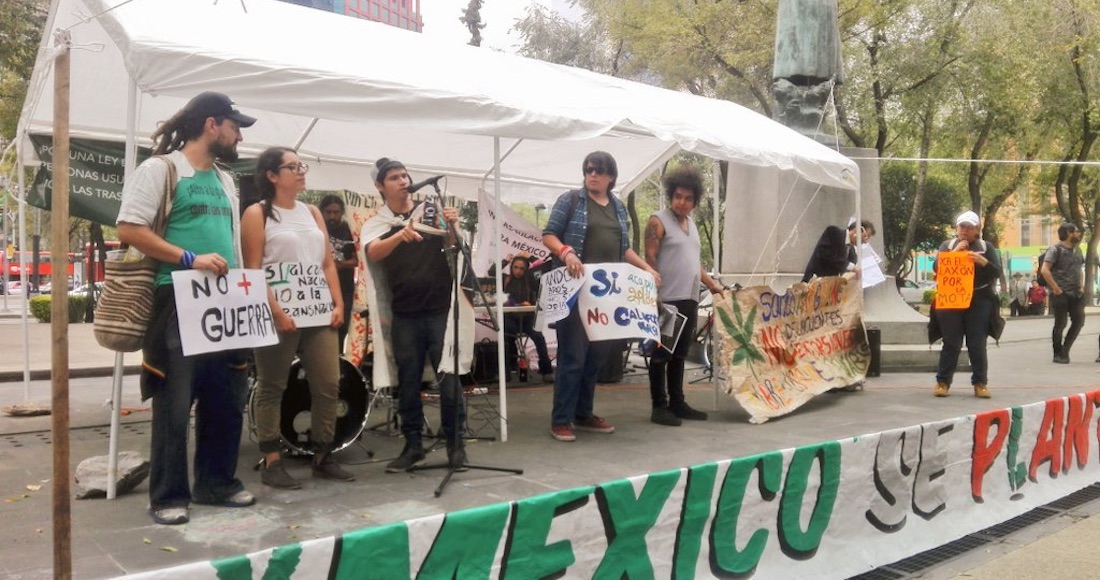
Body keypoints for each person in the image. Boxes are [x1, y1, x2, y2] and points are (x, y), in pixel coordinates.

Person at [116, 92, 257, 525]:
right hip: (177, 299)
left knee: (226, 397)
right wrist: (189, 258)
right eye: (234, 127)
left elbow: (232, 244)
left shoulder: (226, 181)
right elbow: (129, 228)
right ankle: (168, 495)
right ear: (212, 125)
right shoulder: (161, 169)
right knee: (174, 402)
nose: (239, 137)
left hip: (224, 303)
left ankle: (217, 483)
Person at [243, 148, 356, 489]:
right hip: (279, 314)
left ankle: (323, 453)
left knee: (329, 383)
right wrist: (276, 310)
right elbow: (252, 269)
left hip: (318, 312)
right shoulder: (257, 214)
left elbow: (326, 263)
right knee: (271, 385)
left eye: (301, 165)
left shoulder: (312, 212)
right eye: (292, 167)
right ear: (271, 176)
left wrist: (338, 303)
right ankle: (272, 459)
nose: (301, 171)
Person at [541, 151, 662, 442]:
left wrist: (647, 269)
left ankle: (583, 414)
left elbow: (625, 249)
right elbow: (549, 235)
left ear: (611, 177)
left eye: (598, 170)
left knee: (595, 358)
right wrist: (566, 252)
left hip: (607, 298)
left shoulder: (618, 208)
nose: (592, 175)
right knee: (573, 357)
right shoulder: (571, 201)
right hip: (575, 294)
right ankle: (561, 419)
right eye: (588, 170)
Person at [361, 157, 467, 472]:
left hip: (439, 310)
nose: (403, 181)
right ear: (380, 186)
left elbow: (453, 247)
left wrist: (453, 226)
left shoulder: (429, 211)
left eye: (405, 175)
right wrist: (400, 234)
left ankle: (456, 445)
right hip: (405, 314)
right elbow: (372, 252)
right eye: (394, 177)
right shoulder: (379, 223)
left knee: (449, 379)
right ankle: (413, 445)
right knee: (408, 382)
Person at [644, 166, 725, 427]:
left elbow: (694, 263)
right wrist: (653, 294)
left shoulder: (691, 225)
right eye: (678, 196)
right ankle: (659, 406)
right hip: (667, 299)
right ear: (671, 195)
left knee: (679, 353)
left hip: (689, 298)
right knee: (661, 353)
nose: (682, 202)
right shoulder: (658, 221)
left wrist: (712, 285)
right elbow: (650, 257)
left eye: (688, 198)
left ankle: (677, 402)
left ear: (694, 201)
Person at [932, 210, 1000, 399]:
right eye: (962, 226)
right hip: (952, 300)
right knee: (951, 342)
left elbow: (997, 272)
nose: (965, 230)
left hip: (979, 300)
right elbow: (937, 268)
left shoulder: (986, 247)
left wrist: (982, 261)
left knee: (977, 343)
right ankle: (943, 382)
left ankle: (980, 383)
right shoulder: (947, 246)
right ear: (957, 228)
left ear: (977, 229)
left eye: (969, 227)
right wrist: (954, 254)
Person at [500, 255, 554, 382]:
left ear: (526, 270)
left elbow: (544, 266)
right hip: (510, 318)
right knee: (506, 335)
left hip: (527, 318)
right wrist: (505, 261)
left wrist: (530, 257)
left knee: (539, 338)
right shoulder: (505, 280)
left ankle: (546, 370)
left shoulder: (531, 280)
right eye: (515, 267)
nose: (518, 271)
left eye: (522, 269)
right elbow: (492, 272)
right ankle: (507, 370)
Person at [1040, 222, 1085, 364]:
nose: (1078, 234)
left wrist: (1081, 286)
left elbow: (1080, 269)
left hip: (1076, 293)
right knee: (1061, 323)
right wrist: (1055, 288)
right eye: (1076, 231)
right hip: (1060, 293)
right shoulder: (1055, 250)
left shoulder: (1078, 250)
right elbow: (1045, 270)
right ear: (1068, 233)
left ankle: (1065, 351)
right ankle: (1057, 353)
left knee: (1079, 321)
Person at [319, 194, 358, 349]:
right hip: (320, 288)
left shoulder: (350, 230)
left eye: (336, 212)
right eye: (328, 212)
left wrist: (341, 265)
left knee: (341, 326)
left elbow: (358, 260)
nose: (332, 216)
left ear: (342, 212)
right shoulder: (316, 229)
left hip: (344, 288)